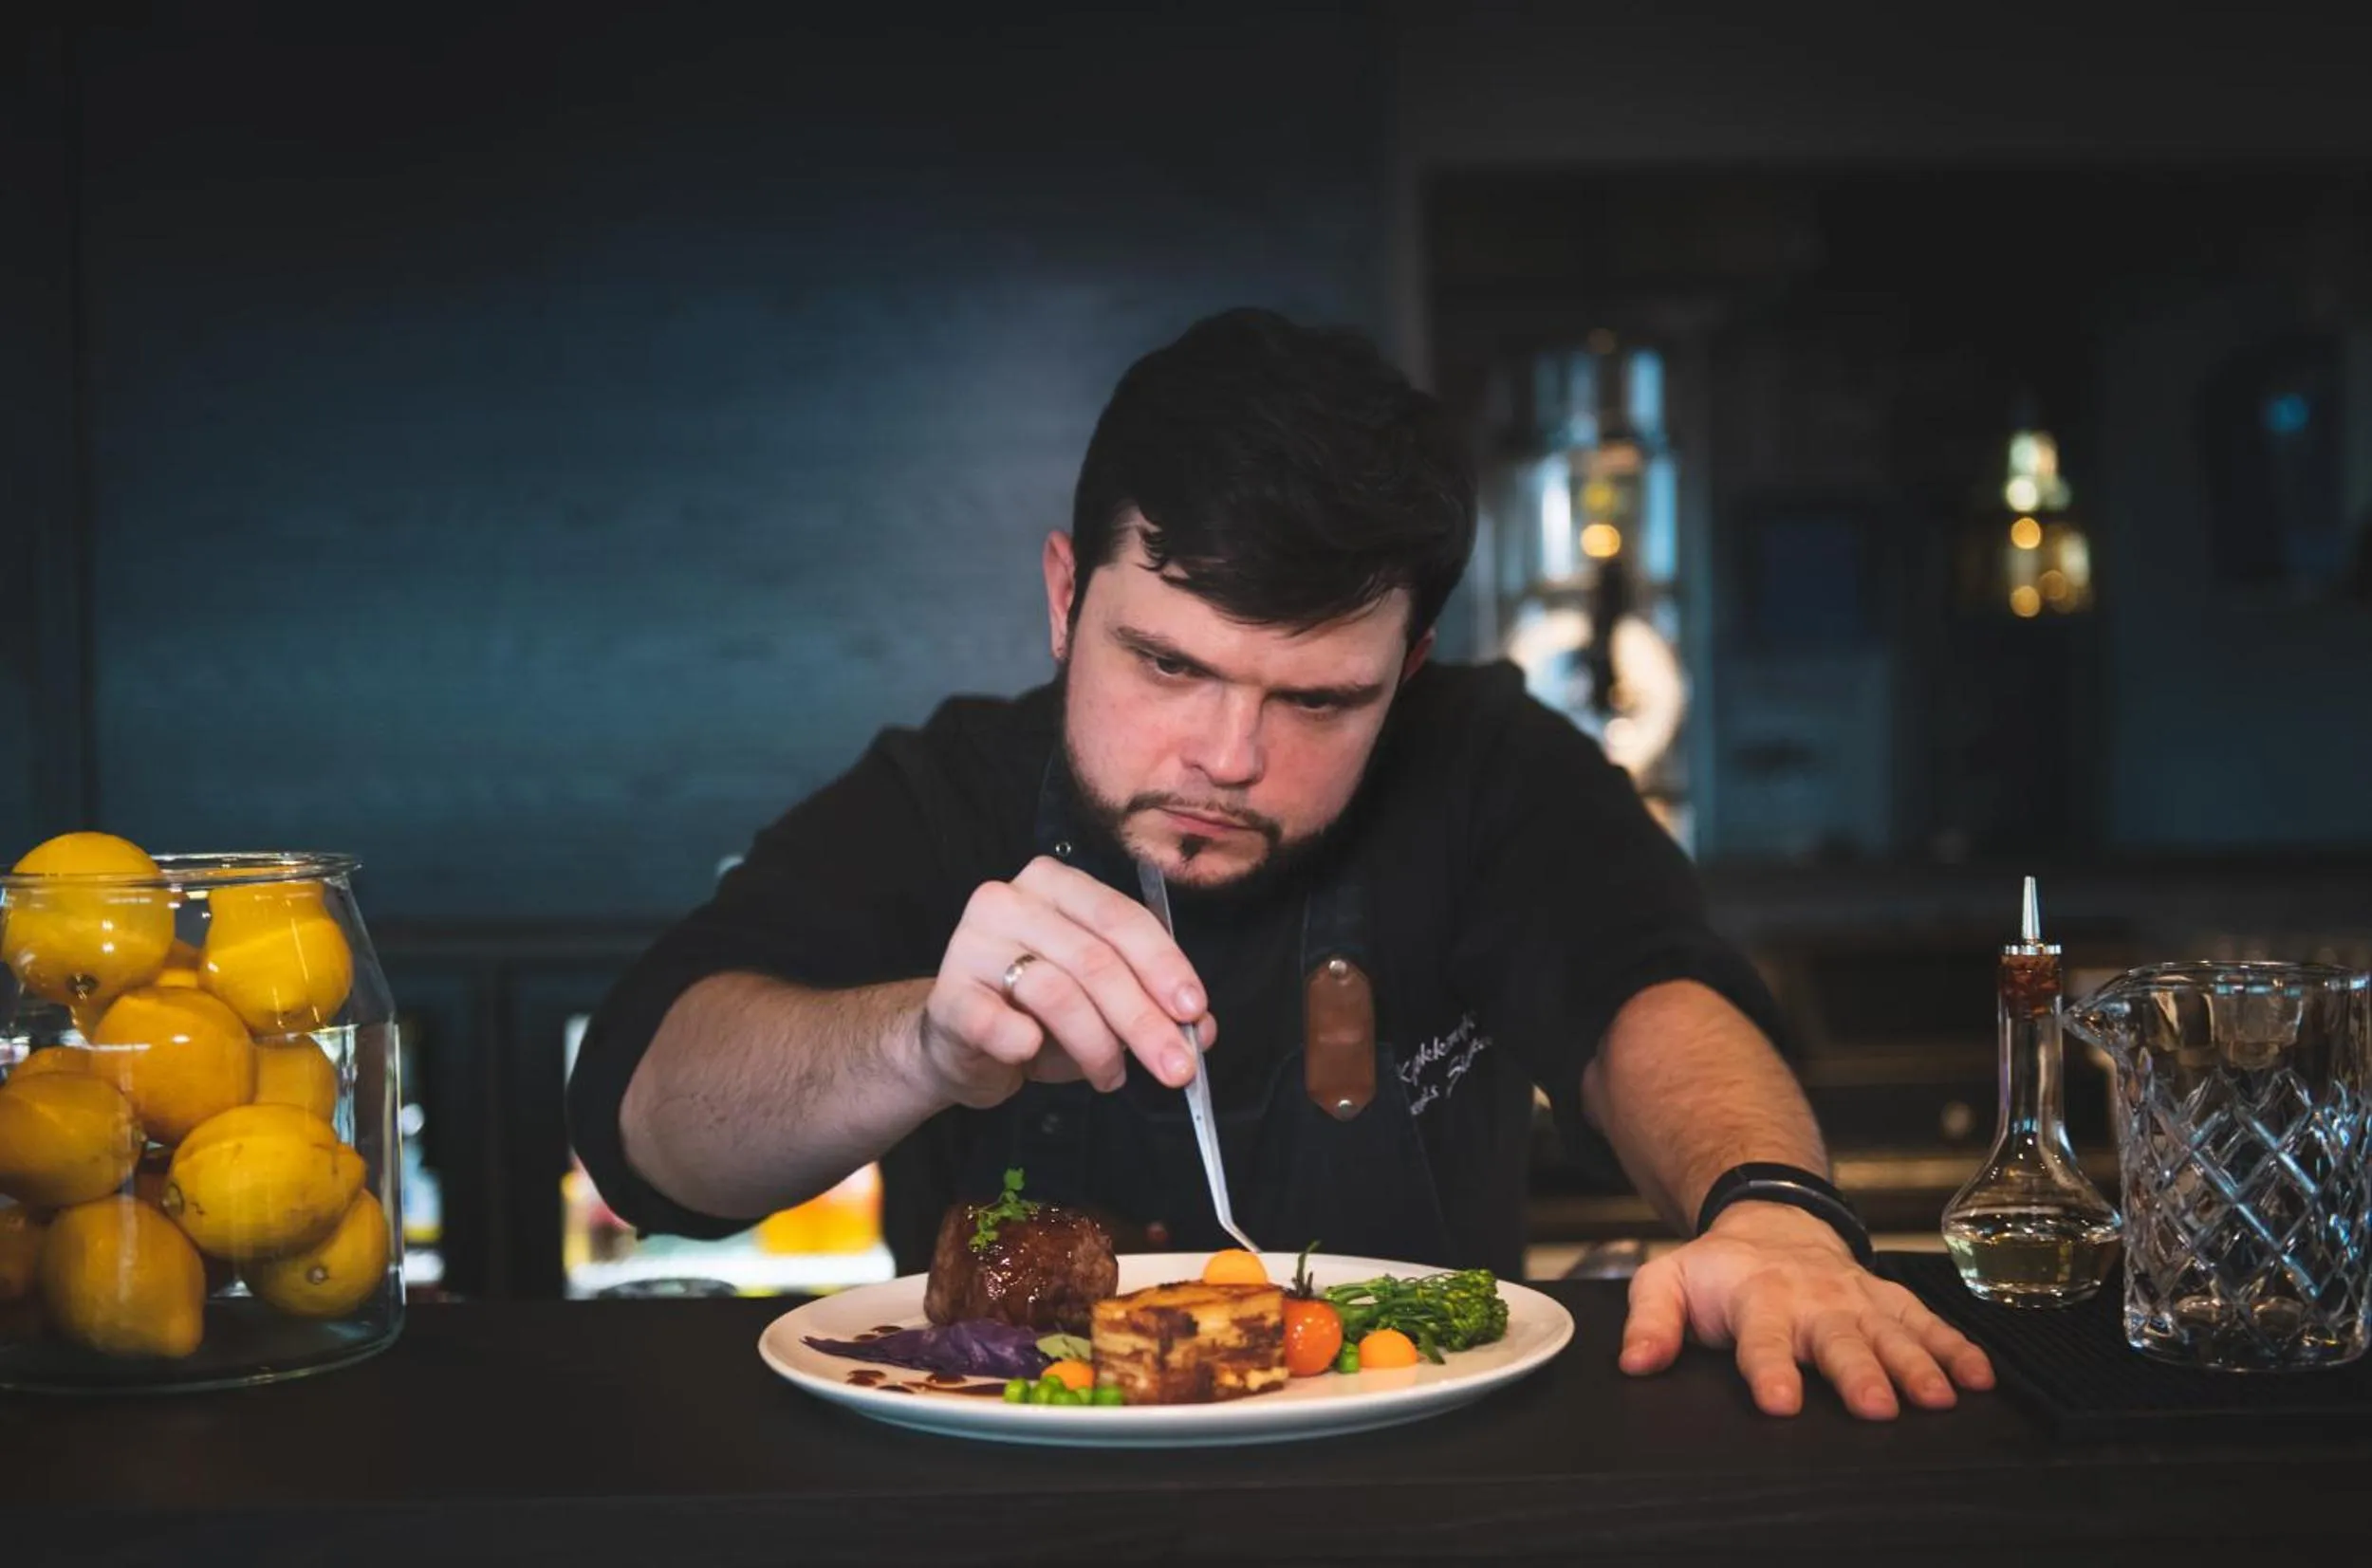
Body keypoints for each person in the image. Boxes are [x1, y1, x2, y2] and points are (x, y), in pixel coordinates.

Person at [565, 307, 1993, 1421]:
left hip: (1425, 1487)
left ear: (1409, 666)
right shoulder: (945, 790)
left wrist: (1777, 1213)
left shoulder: (1487, 764)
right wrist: (921, 1044)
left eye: (1316, 701)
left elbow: (1646, 997)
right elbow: (644, 1130)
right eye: (1167, 663)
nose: (1226, 756)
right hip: (1004, 1510)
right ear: (1068, 599)